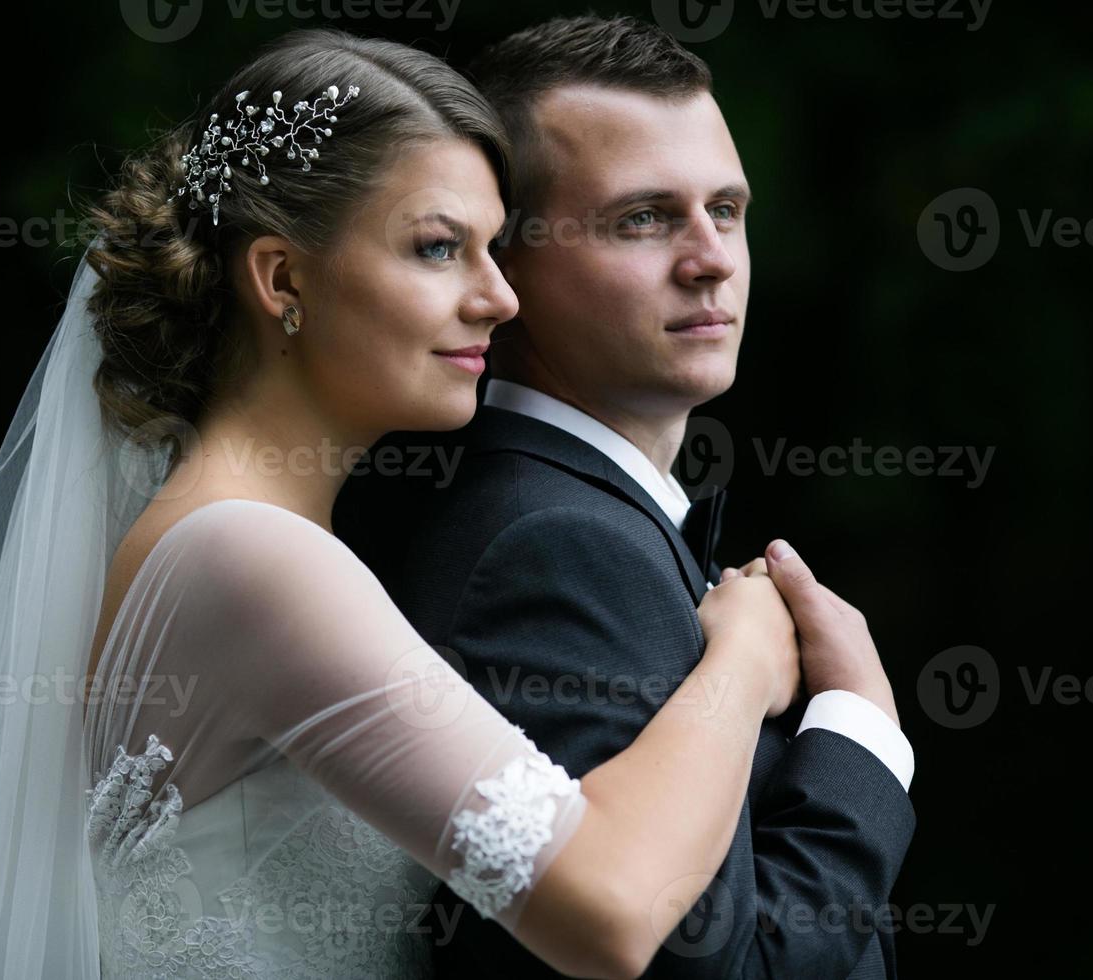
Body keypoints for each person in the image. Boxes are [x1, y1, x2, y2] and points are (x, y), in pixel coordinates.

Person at [0, 29, 803, 980]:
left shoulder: (242, 535)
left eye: (495, 249)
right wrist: (740, 662)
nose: (498, 298)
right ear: (283, 279)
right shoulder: (253, 562)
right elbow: (610, 911)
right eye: (439, 248)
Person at [336, 15, 917, 979]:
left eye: (726, 210)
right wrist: (862, 732)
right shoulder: (554, 546)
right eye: (643, 218)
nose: (711, 258)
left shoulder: (561, 513)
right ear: (501, 265)